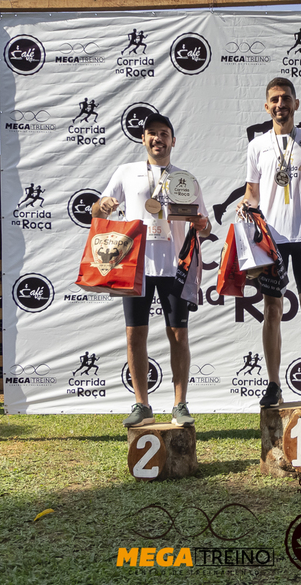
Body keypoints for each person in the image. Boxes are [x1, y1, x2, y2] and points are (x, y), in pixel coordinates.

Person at [90, 113, 210, 428]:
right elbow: (99, 207)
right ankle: (141, 404)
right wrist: (101, 207)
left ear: (173, 140)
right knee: (134, 335)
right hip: (135, 266)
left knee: (179, 334)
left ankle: (180, 404)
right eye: (152, 133)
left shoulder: (186, 179)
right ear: (143, 139)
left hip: (174, 266)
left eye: (164, 134)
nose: (158, 139)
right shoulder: (126, 172)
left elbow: (205, 224)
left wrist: (201, 224)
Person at [243, 78, 301, 407]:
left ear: (296, 104)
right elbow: (252, 193)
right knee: (272, 309)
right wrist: (245, 206)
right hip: (273, 240)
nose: (280, 104)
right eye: (274, 100)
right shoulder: (257, 146)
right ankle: (273, 384)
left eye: (286, 99)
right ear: (266, 107)